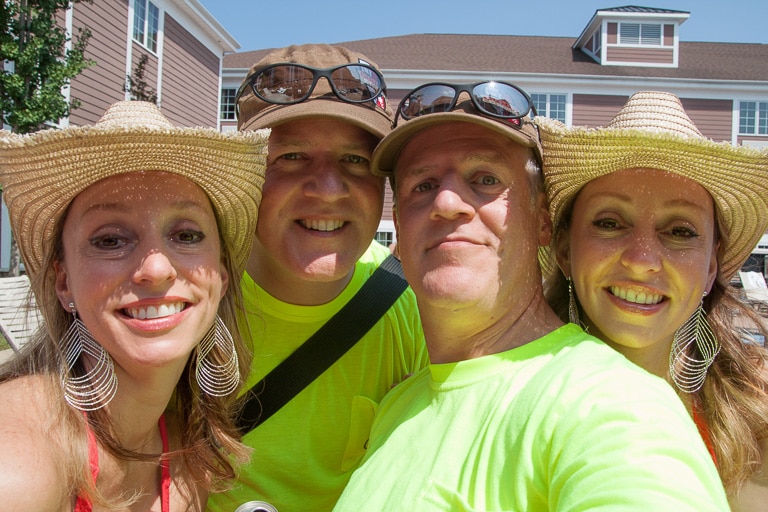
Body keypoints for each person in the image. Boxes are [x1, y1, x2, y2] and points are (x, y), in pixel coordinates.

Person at [333, 81, 730, 510]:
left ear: (542, 219)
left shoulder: (612, 407)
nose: (447, 201)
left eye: (486, 179)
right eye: (422, 185)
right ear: (398, 224)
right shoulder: (397, 405)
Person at [0, 100, 269, 510]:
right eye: (110, 240)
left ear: (221, 275)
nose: (156, 268)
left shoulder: (186, 450)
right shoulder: (17, 470)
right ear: (64, 282)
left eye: (186, 235)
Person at [206, 44, 428, 512]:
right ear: (245, 176)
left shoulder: (413, 307)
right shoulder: (193, 300)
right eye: (291, 157)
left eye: (354, 160)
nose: (327, 189)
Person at [538, 90, 768, 511]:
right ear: (564, 250)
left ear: (711, 268)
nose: (643, 260)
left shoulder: (755, 417)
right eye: (609, 223)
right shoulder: (501, 395)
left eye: (679, 231)